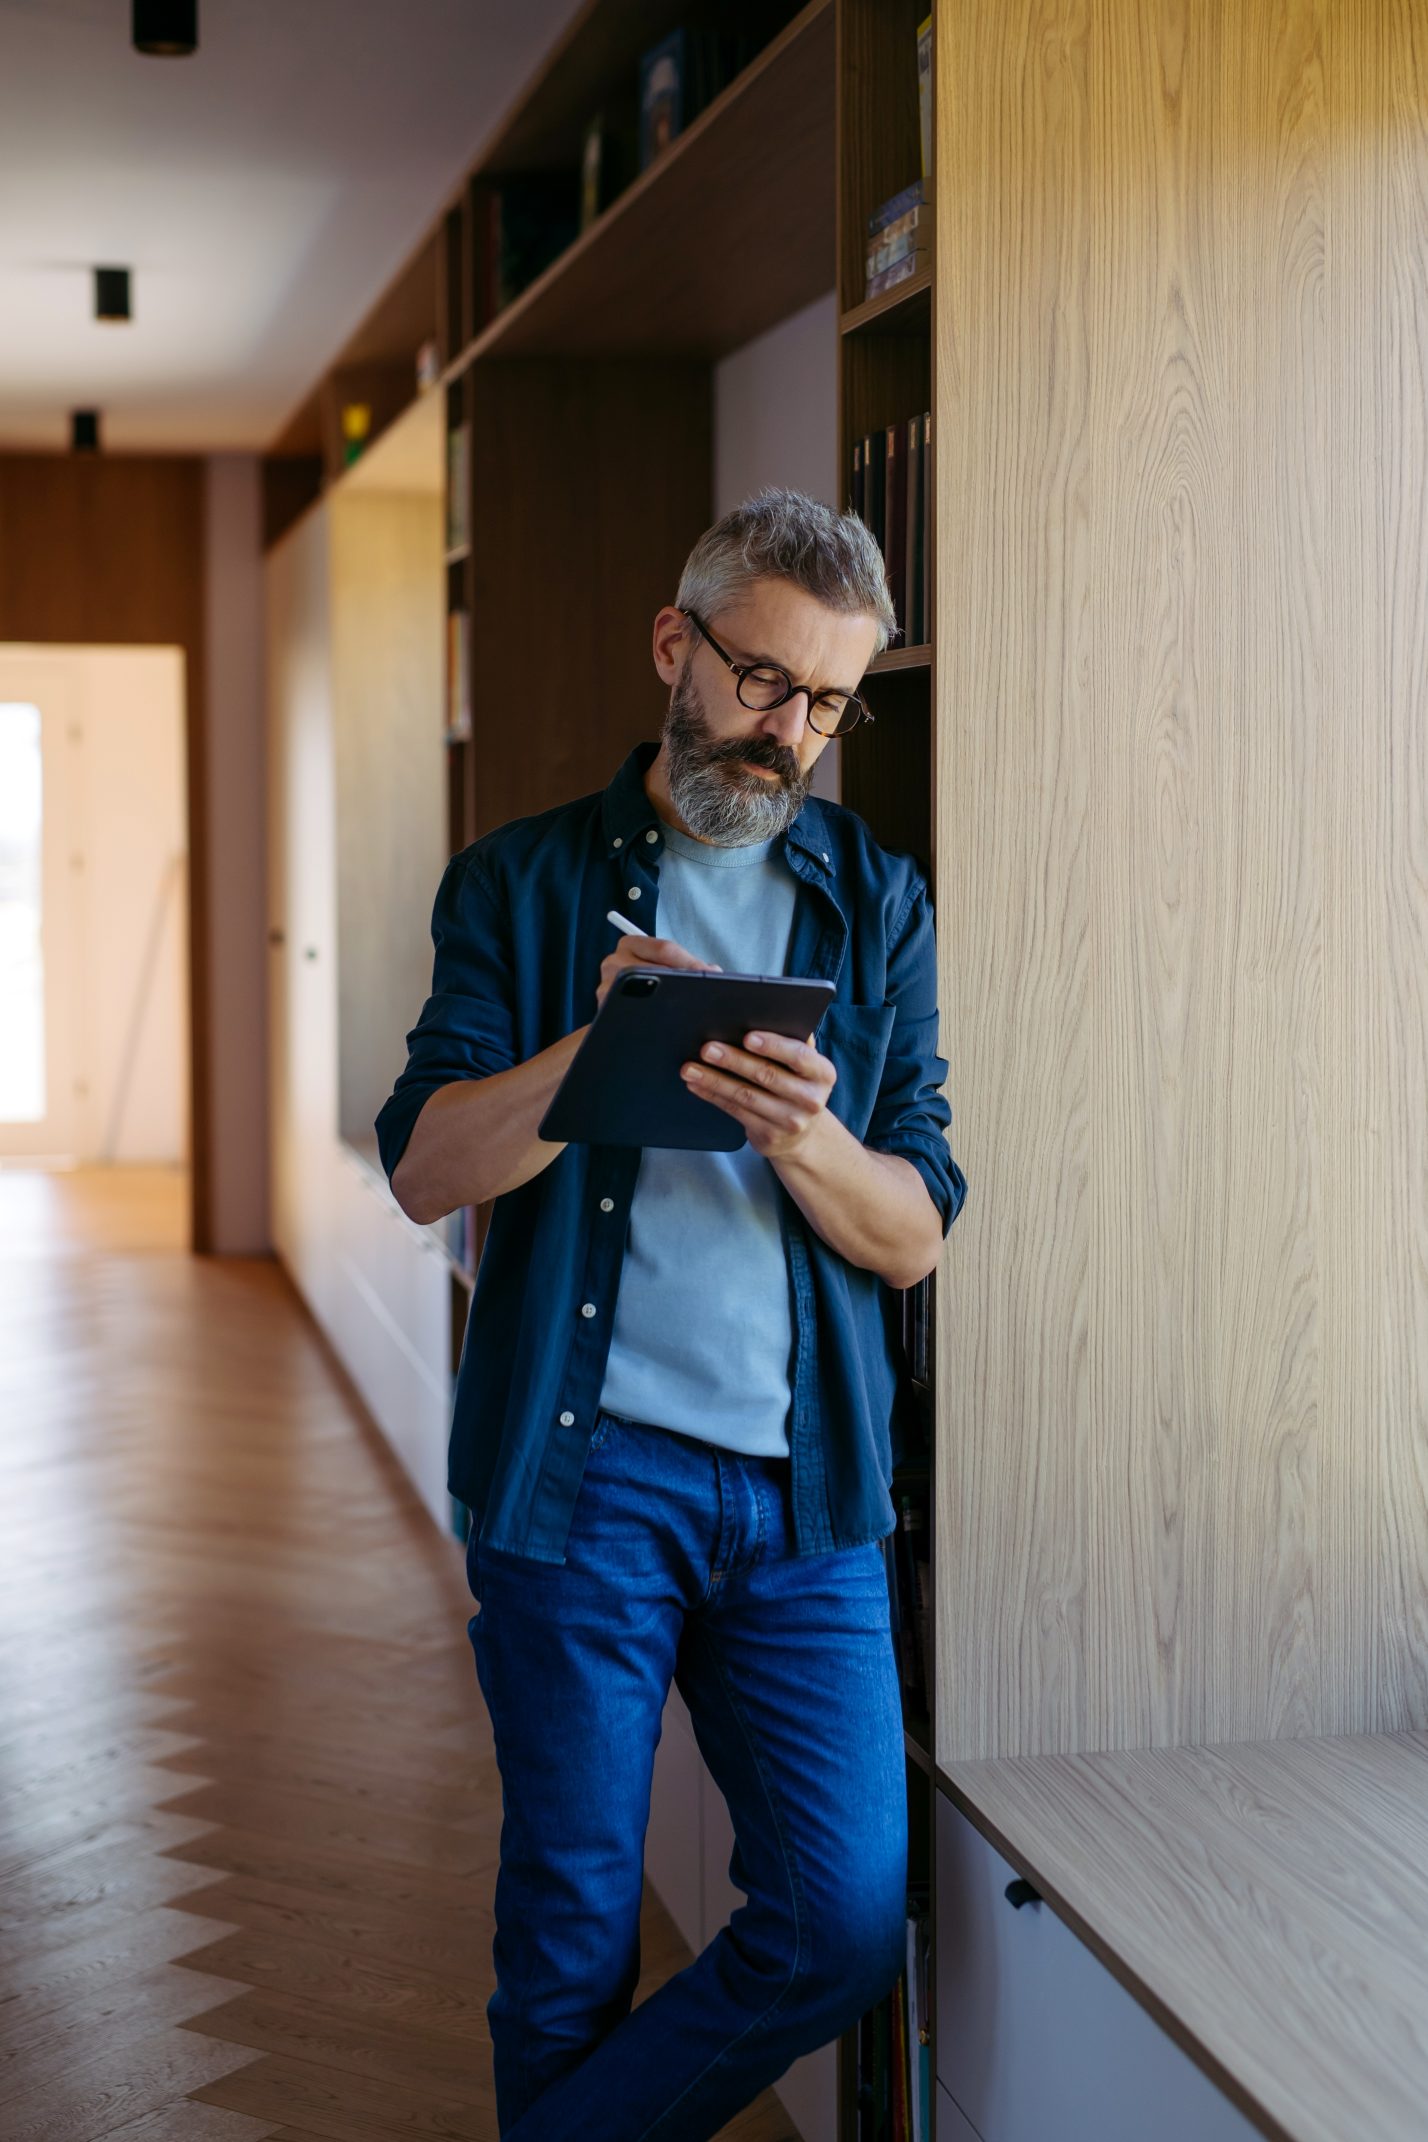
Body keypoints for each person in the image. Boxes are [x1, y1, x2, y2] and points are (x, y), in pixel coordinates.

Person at [374, 487, 967, 2141]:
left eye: (832, 705)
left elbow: (913, 1232)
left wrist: (801, 1132)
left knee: (842, 1920)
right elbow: (427, 1168)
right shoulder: (518, 885)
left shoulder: (878, 904)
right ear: (675, 644)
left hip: (804, 1500)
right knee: (567, 1939)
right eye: (765, 681)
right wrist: (598, 1051)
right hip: (583, 1487)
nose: (790, 736)